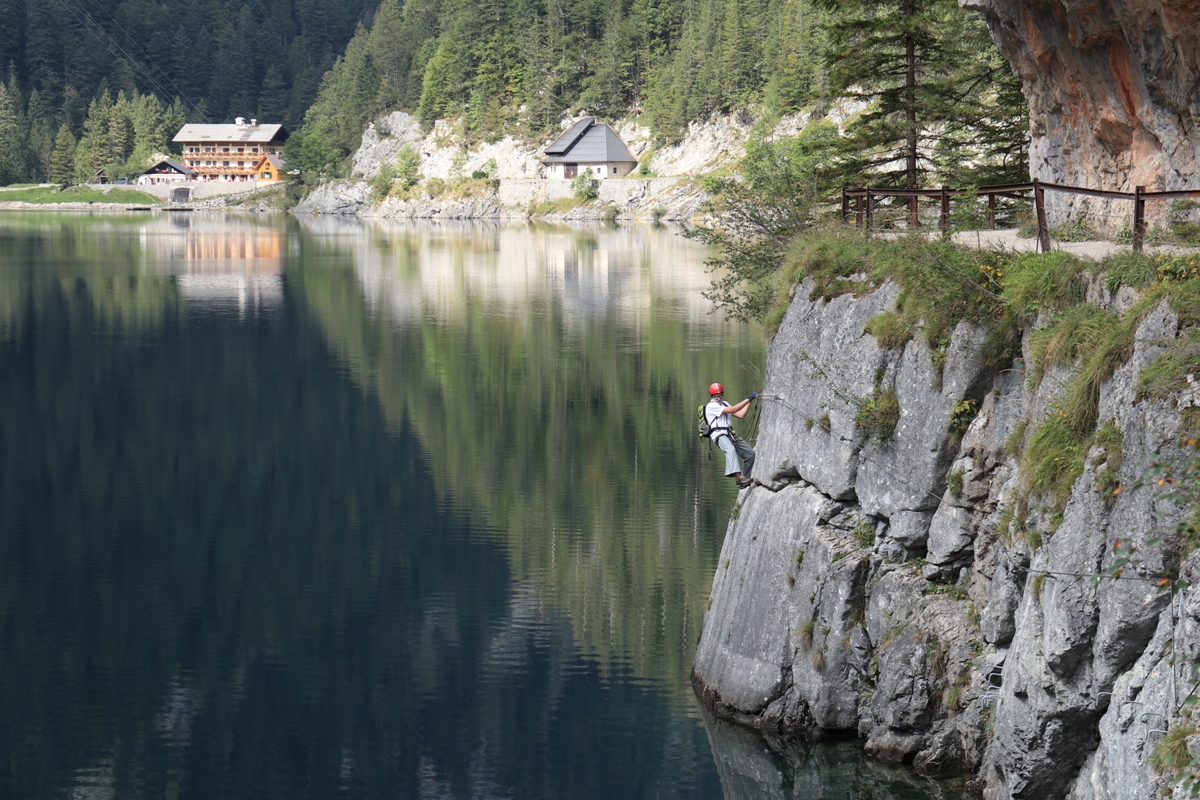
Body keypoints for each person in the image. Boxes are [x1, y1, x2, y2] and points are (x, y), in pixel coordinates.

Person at [705, 383, 758, 489]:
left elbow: (741, 415)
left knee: (750, 454)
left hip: (729, 434)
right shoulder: (711, 406)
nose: (719, 398)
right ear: (712, 397)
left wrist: (750, 401)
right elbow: (733, 410)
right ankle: (739, 478)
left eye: (720, 395)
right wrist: (748, 399)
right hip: (719, 435)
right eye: (716, 396)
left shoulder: (724, 404)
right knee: (730, 450)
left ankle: (745, 480)